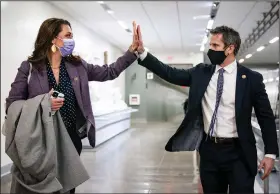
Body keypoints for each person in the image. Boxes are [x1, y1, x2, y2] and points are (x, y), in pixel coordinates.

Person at [135, 25, 279, 193]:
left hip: (240, 153)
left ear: (230, 49)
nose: (211, 50)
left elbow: (265, 116)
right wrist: (143, 53)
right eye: (210, 45)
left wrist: (270, 153)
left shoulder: (251, 79)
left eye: (215, 46)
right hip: (210, 151)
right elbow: (170, 73)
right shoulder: (201, 72)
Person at [5, 18, 139, 193]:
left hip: (70, 139)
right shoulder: (30, 68)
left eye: (72, 36)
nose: (71, 40)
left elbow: (109, 71)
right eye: (67, 35)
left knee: (67, 187)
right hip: (41, 141)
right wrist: (44, 104)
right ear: (53, 38)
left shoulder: (77, 66)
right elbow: (12, 104)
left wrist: (131, 52)